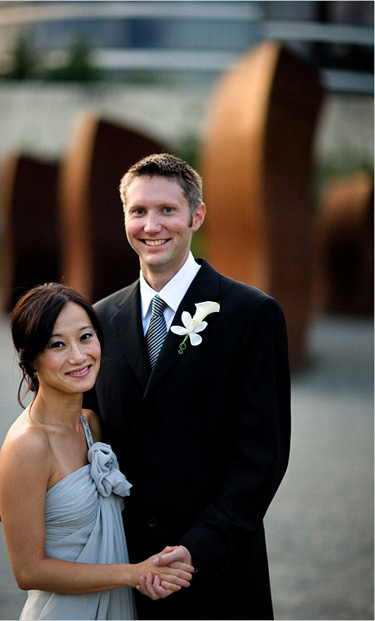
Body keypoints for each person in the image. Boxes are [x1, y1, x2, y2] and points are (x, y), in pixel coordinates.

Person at [87, 153, 291, 620]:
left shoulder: (252, 315)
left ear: (196, 216)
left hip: (220, 572)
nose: (151, 225)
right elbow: (82, 429)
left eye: (167, 210)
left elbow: (264, 455)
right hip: (123, 567)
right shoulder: (97, 320)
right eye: (138, 211)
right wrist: (41, 493)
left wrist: (195, 550)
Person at [0, 283, 194, 620]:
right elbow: (28, 572)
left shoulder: (91, 425)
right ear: (30, 358)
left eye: (86, 337)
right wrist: (135, 573)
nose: (78, 355)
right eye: (57, 344)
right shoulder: (27, 444)